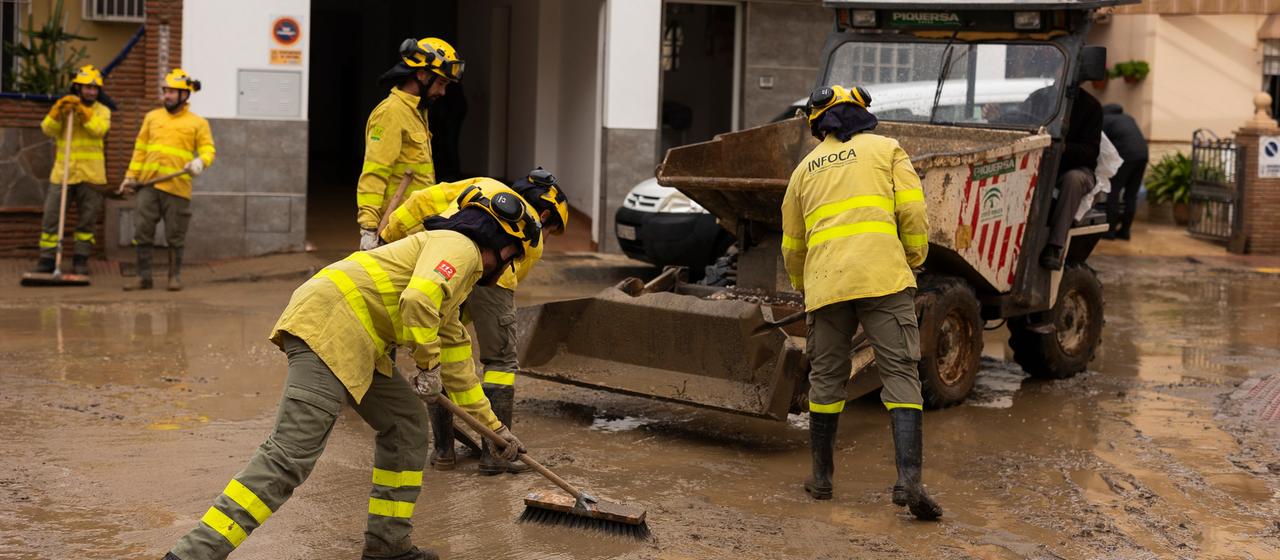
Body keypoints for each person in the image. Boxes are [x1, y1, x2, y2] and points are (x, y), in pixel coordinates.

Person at [160, 188, 542, 560]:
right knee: (290, 456)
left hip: (361, 344)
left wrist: (494, 430)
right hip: (332, 327)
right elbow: (418, 300)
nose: (508, 265)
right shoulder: (459, 246)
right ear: (502, 240)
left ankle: (387, 543)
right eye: (513, 256)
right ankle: (194, 553)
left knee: (407, 423)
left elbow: (460, 370)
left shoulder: (455, 290)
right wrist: (427, 366)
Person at [781, 85, 942, 520]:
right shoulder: (888, 150)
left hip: (827, 286)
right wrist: (912, 259)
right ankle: (909, 481)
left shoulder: (804, 170)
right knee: (900, 374)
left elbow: (793, 245)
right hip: (882, 277)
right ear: (862, 113)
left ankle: (822, 480)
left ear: (819, 124)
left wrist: (806, 285)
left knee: (827, 380)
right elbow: (912, 213)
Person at [379, 169, 569, 475]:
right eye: (552, 230)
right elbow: (501, 279)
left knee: (441, 356)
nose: (546, 238)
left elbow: (420, 200)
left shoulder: (483, 185)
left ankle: (443, 452)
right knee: (500, 363)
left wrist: (386, 237)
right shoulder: (531, 235)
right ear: (545, 214)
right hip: (488, 280)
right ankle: (495, 454)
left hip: (442, 266)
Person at [357, 37, 464, 251]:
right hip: (394, 228)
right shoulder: (391, 113)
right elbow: (374, 172)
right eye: (441, 83)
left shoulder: (417, 112)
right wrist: (368, 228)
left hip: (415, 223)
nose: (443, 92)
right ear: (422, 75)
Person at [121, 68, 215, 291]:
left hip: (177, 187)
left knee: (175, 234)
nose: (168, 95)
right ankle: (143, 277)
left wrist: (199, 163)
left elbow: (208, 149)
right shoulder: (152, 117)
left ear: (185, 95)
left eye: (173, 91)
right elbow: (140, 150)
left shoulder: (198, 123)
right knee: (142, 230)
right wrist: (130, 176)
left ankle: (174, 277)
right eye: (166, 91)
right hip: (148, 185)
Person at [32, 64, 111, 276]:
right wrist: (57, 111)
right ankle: (48, 259)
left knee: (87, 220)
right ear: (77, 88)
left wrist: (82, 112)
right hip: (63, 174)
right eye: (87, 88)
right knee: (51, 217)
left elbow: (98, 130)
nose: (91, 92)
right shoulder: (65, 110)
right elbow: (47, 129)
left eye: (95, 89)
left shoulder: (102, 111)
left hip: (91, 176)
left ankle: (81, 260)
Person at [1040, 88, 1102, 269]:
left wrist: (1063, 148)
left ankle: (1055, 246)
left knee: (1073, 180)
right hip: (1041, 164)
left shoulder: (1090, 105)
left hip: (1075, 168)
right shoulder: (1040, 96)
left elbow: (1090, 152)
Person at [1102, 104, 1148, 240]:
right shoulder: (1129, 118)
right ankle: (1125, 231)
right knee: (1131, 195)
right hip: (1142, 156)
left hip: (1126, 156)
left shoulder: (1106, 120)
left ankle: (1109, 231)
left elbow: (1102, 143)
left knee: (1113, 192)